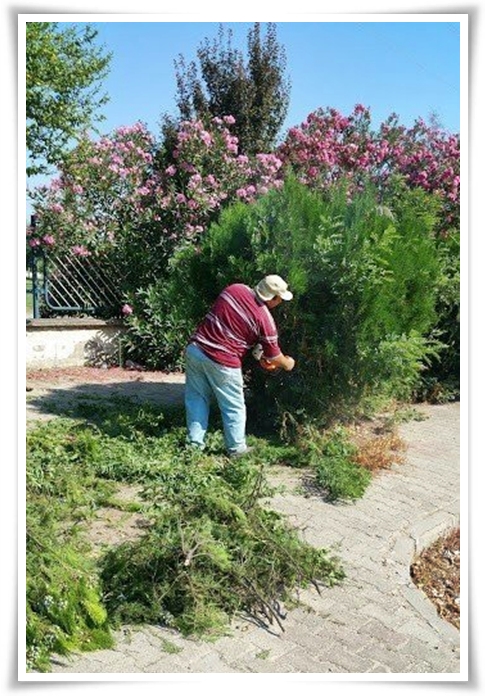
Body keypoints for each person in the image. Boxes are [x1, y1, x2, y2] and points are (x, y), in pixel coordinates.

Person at [184, 274, 296, 457]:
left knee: (197, 398)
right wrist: (288, 363)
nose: (280, 303)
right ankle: (236, 450)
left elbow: (234, 326)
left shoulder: (235, 289)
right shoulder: (265, 319)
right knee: (233, 406)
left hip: (196, 350)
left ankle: (193, 447)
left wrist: (259, 355)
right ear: (273, 298)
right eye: (280, 299)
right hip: (223, 361)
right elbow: (275, 357)